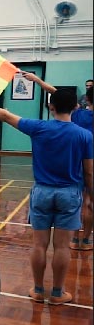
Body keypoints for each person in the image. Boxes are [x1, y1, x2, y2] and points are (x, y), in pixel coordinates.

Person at [0, 75, 93, 305]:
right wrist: (91, 195)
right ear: (75, 107)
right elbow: (89, 172)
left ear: (50, 107)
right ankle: (57, 293)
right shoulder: (84, 135)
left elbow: (4, 115)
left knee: (39, 244)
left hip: (42, 192)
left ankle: (38, 290)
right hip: (70, 194)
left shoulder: (39, 127)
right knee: (62, 246)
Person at [71, 86, 93, 250]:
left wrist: (36, 80)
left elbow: (55, 92)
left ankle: (74, 238)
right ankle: (86, 241)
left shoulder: (79, 114)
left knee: (78, 202)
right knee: (90, 203)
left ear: (88, 99)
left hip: (79, 163)